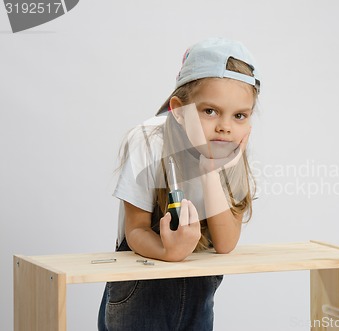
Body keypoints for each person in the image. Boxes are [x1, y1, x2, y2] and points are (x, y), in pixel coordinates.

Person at [98, 37, 260, 331]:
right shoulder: (149, 140)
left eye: (239, 116)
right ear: (178, 109)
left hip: (198, 293)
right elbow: (135, 229)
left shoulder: (229, 152)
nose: (225, 126)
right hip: (141, 290)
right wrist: (168, 252)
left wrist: (211, 170)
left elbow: (225, 244)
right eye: (210, 111)